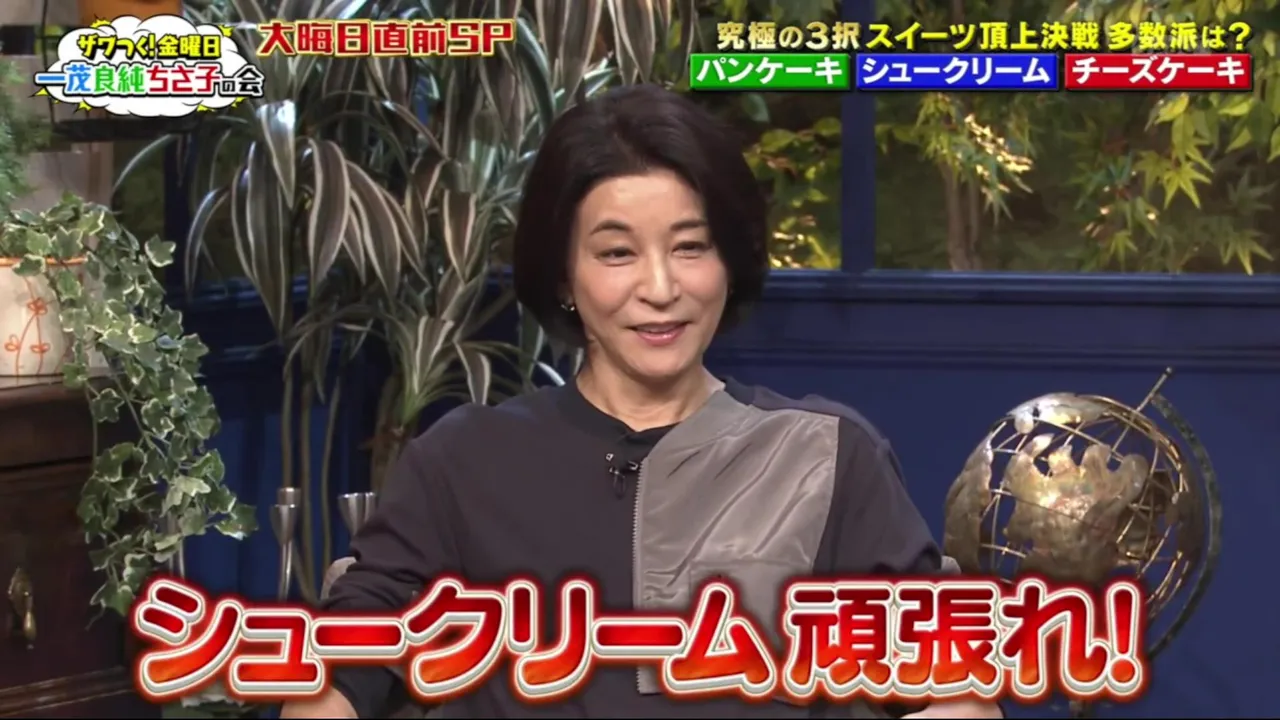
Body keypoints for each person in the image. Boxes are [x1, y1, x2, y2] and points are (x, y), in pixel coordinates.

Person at [282, 84, 1002, 719]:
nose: (661, 289)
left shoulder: (825, 456)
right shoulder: (462, 464)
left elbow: (954, 688)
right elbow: (343, 667)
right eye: (617, 253)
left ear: (729, 261)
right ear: (564, 275)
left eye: (690, 247)